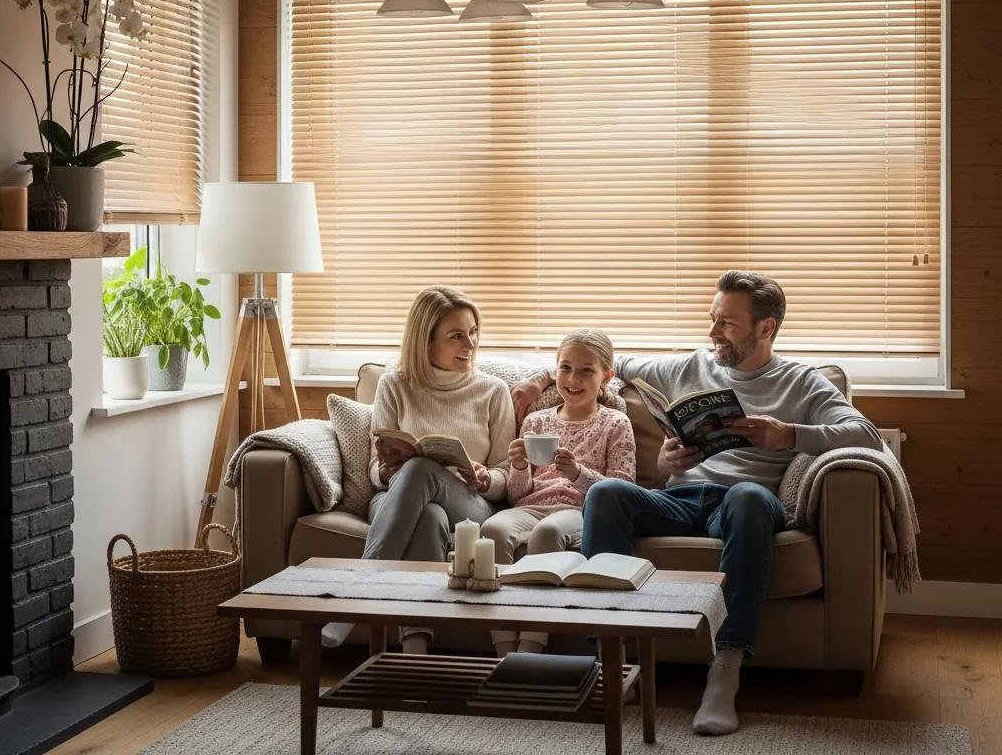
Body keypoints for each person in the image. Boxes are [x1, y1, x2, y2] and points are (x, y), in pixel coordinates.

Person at [510, 270, 883, 736]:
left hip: (744, 504)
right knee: (606, 492)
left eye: (726, 323)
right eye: (712, 319)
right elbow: (605, 362)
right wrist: (538, 378)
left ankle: (724, 671)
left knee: (748, 496)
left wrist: (787, 434)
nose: (711, 333)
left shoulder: (801, 381)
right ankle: (616, 657)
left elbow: (867, 435)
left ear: (765, 328)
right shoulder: (686, 366)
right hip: (681, 498)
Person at [322, 285, 513, 652]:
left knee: (422, 470)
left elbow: (506, 475)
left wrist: (487, 478)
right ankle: (416, 652)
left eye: (473, 332)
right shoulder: (394, 385)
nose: (470, 344)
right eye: (456, 336)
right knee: (428, 516)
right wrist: (391, 469)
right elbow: (375, 470)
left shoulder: (493, 391)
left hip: (470, 504)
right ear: (426, 342)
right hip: (396, 498)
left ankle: (356, 594)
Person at [480, 329, 636, 656]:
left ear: (606, 377)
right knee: (492, 529)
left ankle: (530, 648)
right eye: (565, 368)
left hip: (578, 509)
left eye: (586, 370)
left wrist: (578, 474)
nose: (573, 378)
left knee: (547, 532)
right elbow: (516, 495)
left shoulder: (615, 422)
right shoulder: (536, 422)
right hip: (531, 506)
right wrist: (520, 467)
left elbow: (623, 490)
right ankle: (504, 650)